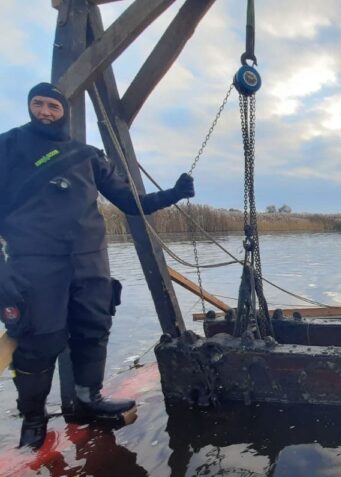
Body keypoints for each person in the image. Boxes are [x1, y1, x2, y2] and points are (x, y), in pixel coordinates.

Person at [0, 82, 195, 449]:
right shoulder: (7, 146)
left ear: (64, 112)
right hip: (34, 265)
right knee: (39, 343)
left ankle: (90, 399)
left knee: (93, 329)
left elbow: (131, 202)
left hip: (89, 262)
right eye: (38, 104)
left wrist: (174, 193)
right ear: (29, 107)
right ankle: (33, 419)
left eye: (52, 106)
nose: (44, 111)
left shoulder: (86, 155)